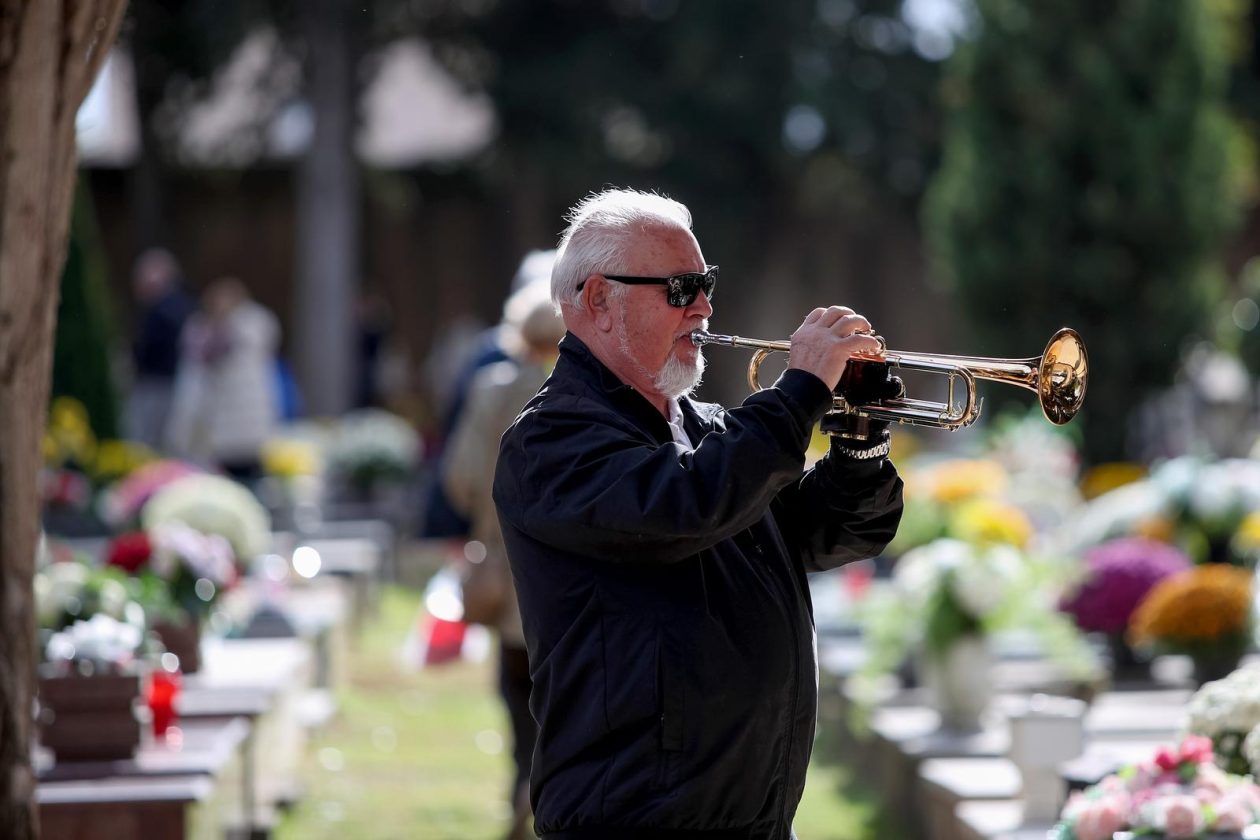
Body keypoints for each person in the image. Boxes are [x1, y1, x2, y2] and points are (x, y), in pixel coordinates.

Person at [492, 189, 904, 840]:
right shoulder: (549, 443)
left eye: (706, 283)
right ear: (599, 300)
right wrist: (797, 394)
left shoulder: (710, 432)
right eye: (682, 287)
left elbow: (829, 537)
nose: (705, 306)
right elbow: (683, 508)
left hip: (755, 817)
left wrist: (861, 441)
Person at [442, 280, 566, 840]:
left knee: (515, 686)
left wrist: (484, 516)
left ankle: (523, 779)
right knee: (561, 686)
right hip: (564, 565)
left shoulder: (493, 387)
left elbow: (461, 476)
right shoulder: (573, 389)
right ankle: (545, 786)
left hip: (502, 560)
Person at [166, 277, 281, 481]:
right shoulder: (203, 331)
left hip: (245, 422)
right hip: (217, 428)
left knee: (247, 475)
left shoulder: (249, 328)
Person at [127, 248, 194, 450]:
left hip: (159, 380)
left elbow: (155, 347)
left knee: (149, 438)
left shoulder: (165, 311)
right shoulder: (178, 306)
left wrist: (136, 358)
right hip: (166, 378)